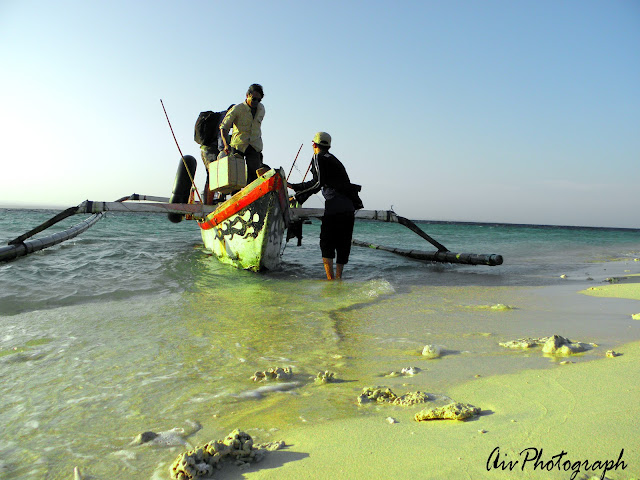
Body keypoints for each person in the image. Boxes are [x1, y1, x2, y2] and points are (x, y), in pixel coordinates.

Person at [288, 132, 362, 280]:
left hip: (335, 208)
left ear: (314, 145)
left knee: (326, 243)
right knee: (343, 244)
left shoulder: (318, 157)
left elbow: (317, 184)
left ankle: (330, 280)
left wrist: (295, 194)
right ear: (328, 145)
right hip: (349, 208)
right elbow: (318, 183)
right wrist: (297, 190)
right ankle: (339, 280)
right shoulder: (334, 159)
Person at [220, 84, 266, 184]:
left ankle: (252, 197)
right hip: (238, 146)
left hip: (254, 145)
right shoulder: (237, 109)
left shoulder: (261, 109)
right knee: (235, 176)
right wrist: (226, 145)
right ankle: (235, 195)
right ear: (247, 95)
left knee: (254, 175)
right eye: (254, 99)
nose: (256, 102)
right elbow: (224, 127)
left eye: (259, 100)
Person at [200, 105, 233, 204]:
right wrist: (224, 150)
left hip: (207, 148)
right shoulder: (225, 117)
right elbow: (220, 134)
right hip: (210, 149)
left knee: (215, 175)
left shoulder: (222, 115)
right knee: (212, 175)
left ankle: (217, 199)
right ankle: (208, 204)